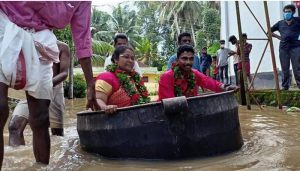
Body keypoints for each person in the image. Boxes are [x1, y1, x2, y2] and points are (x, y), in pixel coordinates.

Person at [0, 2, 100, 166]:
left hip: (41, 43)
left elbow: (82, 40)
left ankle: (42, 167)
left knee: (40, 118)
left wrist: (90, 84)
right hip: (3, 25)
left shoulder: (63, 46)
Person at [8, 41, 70, 146]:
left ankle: (54, 160)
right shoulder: (26, 43)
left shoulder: (62, 47)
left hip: (54, 90)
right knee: (14, 127)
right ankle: (20, 160)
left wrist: (46, 84)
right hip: (31, 90)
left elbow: (64, 73)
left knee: (57, 134)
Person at [158, 45, 239, 101]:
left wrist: (225, 87)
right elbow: (169, 104)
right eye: (184, 58)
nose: (188, 62)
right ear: (177, 60)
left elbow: (210, 82)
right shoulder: (167, 77)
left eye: (191, 59)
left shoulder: (194, 73)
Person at [95, 46, 150, 114]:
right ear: (116, 59)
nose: (130, 60)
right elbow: (98, 99)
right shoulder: (106, 77)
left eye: (132, 58)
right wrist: (105, 107)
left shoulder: (136, 79)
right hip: (114, 121)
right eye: (126, 57)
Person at [271, 4, 300, 90]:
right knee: (285, 68)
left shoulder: (298, 20)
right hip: (284, 48)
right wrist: (277, 37)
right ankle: (285, 85)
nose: (287, 13)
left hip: (296, 47)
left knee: (297, 67)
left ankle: (299, 84)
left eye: (289, 12)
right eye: (285, 12)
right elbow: (269, 30)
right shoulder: (280, 23)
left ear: (293, 12)